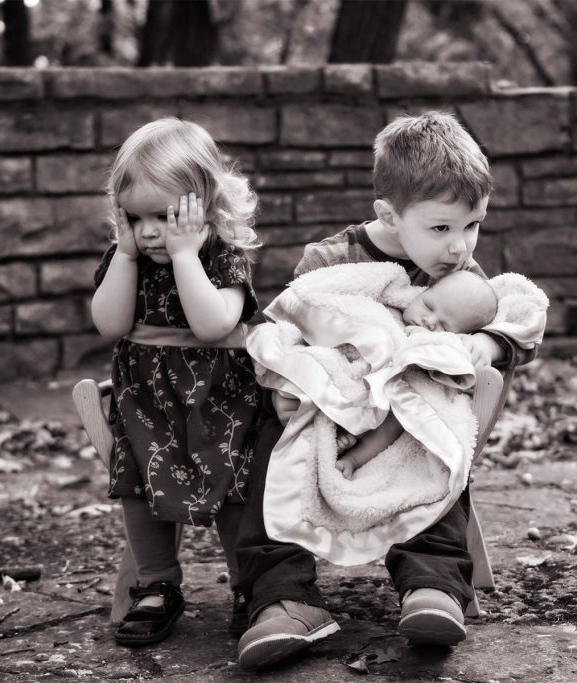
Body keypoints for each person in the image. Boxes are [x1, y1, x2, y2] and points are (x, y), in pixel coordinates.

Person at [235, 111, 539, 670]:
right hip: (329, 409)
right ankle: (281, 597)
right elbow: (291, 324)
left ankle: (434, 584)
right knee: (270, 451)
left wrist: (488, 345)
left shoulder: (460, 276)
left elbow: (516, 313)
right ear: (388, 215)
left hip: (409, 417)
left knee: (438, 451)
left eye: (472, 225)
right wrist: (286, 380)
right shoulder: (329, 260)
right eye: (441, 228)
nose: (458, 247)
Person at [91, 118, 262, 647]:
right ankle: (157, 584)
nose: (147, 231)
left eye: (164, 216)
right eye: (135, 217)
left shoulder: (221, 258)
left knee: (235, 485)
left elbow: (214, 326)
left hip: (220, 400)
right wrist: (121, 255)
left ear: (205, 206)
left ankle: (249, 587)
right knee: (138, 485)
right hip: (147, 400)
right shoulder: (129, 259)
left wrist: (186, 255)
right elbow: (110, 325)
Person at [334, 270, 500, 478]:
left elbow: (456, 370)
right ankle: (343, 431)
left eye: (444, 326)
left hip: (397, 395)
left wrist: (425, 342)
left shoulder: (441, 345)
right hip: (356, 386)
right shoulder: (385, 308)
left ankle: (354, 458)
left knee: (399, 420)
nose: (429, 321)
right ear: (420, 293)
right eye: (428, 306)